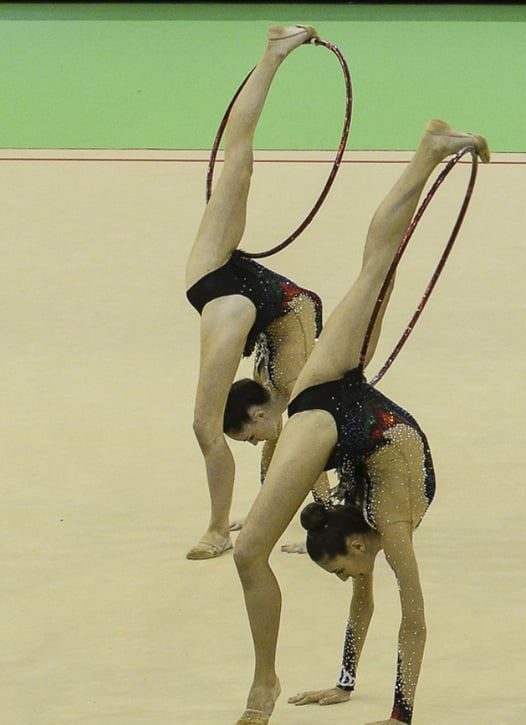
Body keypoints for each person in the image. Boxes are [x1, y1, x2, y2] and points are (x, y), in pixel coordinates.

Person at [229, 116, 489, 725]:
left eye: (342, 570)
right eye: (345, 569)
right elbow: (413, 618)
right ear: (354, 543)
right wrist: (395, 710)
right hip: (335, 408)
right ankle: (264, 682)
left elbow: (387, 611)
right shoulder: (387, 529)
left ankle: (427, 153)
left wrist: (363, 695)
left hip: (335, 405)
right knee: (376, 268)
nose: (349, 579)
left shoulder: (375, 528)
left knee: (376, 269)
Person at [184, 25, 329, 560]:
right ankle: (273, 53)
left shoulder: (254, 363)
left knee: (306, 418)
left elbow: (209, 427)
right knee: (238, 159)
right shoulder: (233, 346)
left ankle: (226, 528)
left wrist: (218, 526)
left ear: (256, 414)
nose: (252, 441)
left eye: (246, 437)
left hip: (288, 311)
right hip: (212, 281)